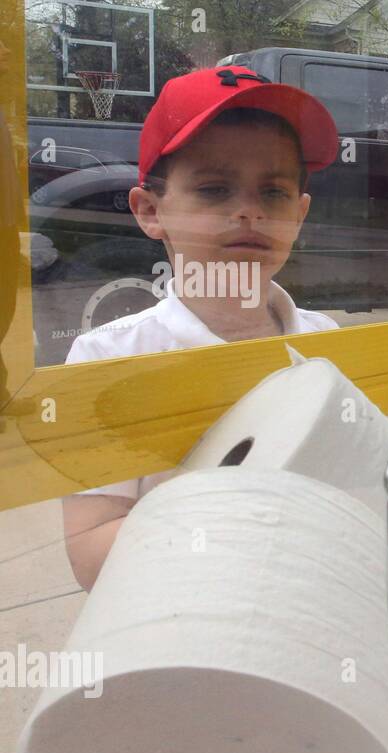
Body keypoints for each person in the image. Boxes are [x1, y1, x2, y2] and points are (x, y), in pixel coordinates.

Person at [62, 66, 340, 591]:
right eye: (215, 189)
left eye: (274, 193)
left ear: (300, 214)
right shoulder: (108, 362)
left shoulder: (331, 345)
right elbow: (93, 553)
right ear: (149, 211)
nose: (248, 213)